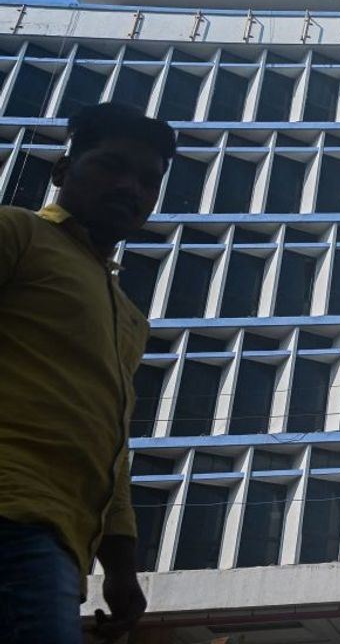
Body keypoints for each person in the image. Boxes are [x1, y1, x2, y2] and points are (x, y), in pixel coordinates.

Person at [0, 102, 176, 643]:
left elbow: (111, 448)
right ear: (61, 172)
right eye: (110, 166)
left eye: (148, 180)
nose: (130, 186)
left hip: (62, 543)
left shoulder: (129, 317)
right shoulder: (18, 233)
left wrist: (121, 566)